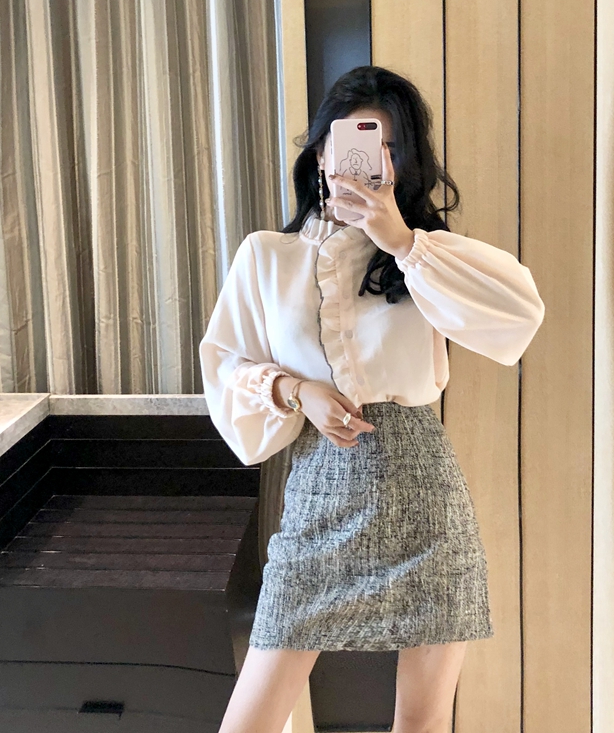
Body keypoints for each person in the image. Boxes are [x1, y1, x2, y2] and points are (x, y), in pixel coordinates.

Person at [199, 65, 545, 733]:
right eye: (354, 142)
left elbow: (517, 314)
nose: (369, 159)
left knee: (421, 725)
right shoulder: (267, 257)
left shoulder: (426, 255)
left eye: (388, 147)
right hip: (318, 498)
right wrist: (295, 390)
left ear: (402, 164)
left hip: (426, 501)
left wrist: (402, 241)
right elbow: (225, 364)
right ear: (320, 154)